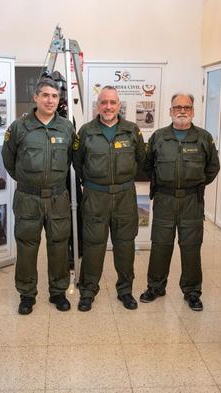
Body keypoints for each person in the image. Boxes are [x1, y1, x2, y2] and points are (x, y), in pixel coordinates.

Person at [139, 93, 220, 311]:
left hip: (192, 200)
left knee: (191, 247)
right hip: (164, 199)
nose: (182, 111)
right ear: (170, 111)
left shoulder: (204, 138)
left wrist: (194, 185)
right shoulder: (159, 137)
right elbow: (147, 166)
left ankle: (192, 291)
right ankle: (155, 287)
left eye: (187, 107)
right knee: (160, 245)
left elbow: (213, 168)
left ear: (193, 111)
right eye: (177, 107)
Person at [2, 78, 75, 315]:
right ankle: (26, 294)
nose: (50, 100)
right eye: (45, 95)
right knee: (27, 247)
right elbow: (9, 161)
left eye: (54, 96)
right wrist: (29, 181)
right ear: (36, 97)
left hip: (58, 198)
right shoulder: (18, 127)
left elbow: (73, 160)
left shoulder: (66, 127)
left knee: (59, 245)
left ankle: (58, 292)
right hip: (28, 198)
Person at [73, 86, 145, 312]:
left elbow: (140, 160)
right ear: (97, 105)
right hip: (95, 196)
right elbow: (77, 162)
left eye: (112, 102)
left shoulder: (132, 130)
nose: (108, 107)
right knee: (94, 245)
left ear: (119, 105)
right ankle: (88, 291)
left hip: (124, 196)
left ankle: (125, 290)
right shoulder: (86, 132)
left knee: (125, 245)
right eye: (104, 102)